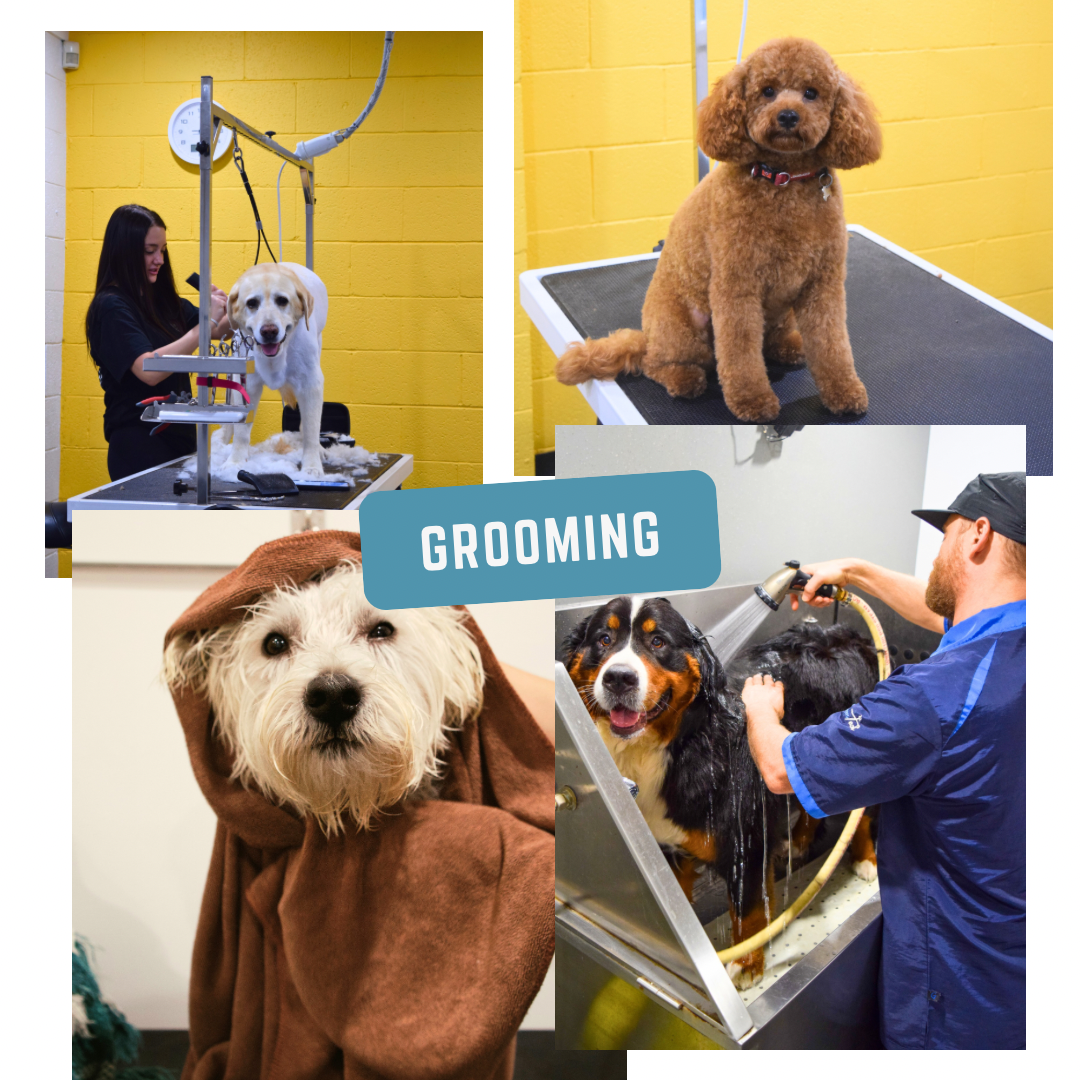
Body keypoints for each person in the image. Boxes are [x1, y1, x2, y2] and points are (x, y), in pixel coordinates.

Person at [741, 472, 1026, 1050]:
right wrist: (855, 571)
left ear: (977, 534)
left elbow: (779, 769)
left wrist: (759, 711)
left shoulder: (931, 698)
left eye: (944, 535)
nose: (937, 555)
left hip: (956, 982)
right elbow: (937, 614)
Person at [85, 204, 231, 481]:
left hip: (179, 440)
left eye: (162, 250)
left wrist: (235, 308)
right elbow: (148, 369)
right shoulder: (112, 307)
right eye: (149, 251)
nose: (160, 259)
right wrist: (205, 324)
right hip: (139, 445)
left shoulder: (162, 300)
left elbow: (220, 332)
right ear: (125, 252)